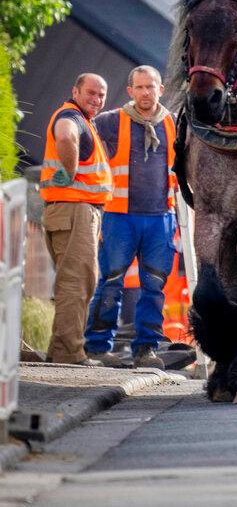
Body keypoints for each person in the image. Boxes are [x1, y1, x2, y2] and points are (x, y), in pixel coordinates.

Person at [84, 66, 179, 369]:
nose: (145, 93)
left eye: (150, 87)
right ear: (130, 91)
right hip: (119, 217)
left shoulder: (172, 124)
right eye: (139, 88)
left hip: (160, 218)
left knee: (154, 286)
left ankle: (146, 349)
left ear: (160, 89)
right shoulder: (111, 121)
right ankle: (97, 347)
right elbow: (82, 137)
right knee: (111, 282)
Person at [39, 73, 113, 365]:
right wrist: (68, 173)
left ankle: (61, 349)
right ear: (75, 91)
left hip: (77, 211)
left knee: (81, 281)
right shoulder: (71, 116)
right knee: (76, 282)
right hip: (74, 210)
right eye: (90, 93)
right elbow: (66, 134)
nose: (96, 100)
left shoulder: (84, 119)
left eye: (101, 95)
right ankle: (69, 354)